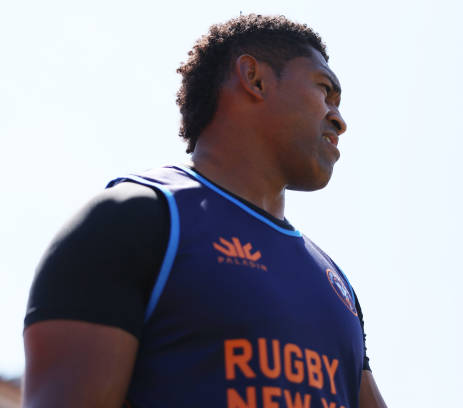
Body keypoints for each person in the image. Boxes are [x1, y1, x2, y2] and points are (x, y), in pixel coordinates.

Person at [22, 14, 388, 408]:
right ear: (255, 78)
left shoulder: (338, 286)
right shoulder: (135, 220)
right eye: (324, 91)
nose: (339, 119)